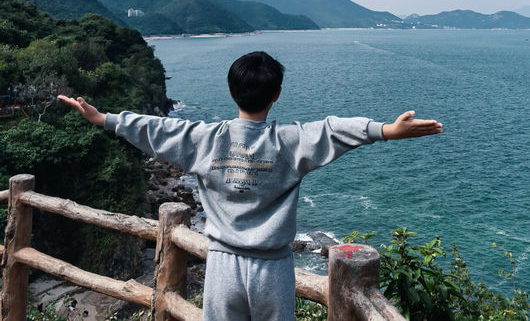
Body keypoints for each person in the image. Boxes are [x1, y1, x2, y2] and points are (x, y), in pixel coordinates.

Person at [59, 50, 443, 321]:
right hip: (272, 269)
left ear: (231, 91)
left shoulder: (203, 139)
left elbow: (156, 129)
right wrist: (387, 131)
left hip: (222, 265)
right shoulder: (289, 142)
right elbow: (331, 130)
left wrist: (105, 119)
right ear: (276, 95)